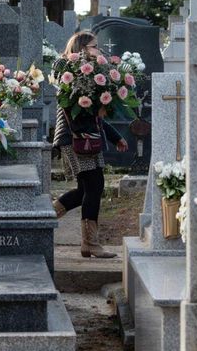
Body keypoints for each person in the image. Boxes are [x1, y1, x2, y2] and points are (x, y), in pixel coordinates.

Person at [52, 31, 129, 258]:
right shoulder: (72, 72)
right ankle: (90, 244)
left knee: (85, 189)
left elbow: (95, 114)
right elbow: (78, 111)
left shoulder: (88, 73)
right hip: (77, 137)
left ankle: (42, 219)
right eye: (95, 46)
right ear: (82, 48)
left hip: (85, 135)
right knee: (94, 185)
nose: (99, 50)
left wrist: (116, 137)